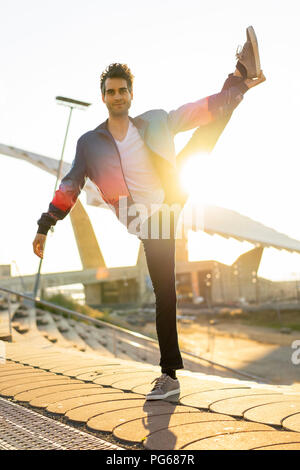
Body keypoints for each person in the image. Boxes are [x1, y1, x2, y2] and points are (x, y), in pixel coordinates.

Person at [33, 26, 266, 400]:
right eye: (110, 91)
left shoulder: (154, 120)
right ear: (103, 97)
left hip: (169, 199)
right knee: (164, 293)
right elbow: (69, 186)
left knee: (202, 136)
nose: (117, 96)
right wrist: (46, 225)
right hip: (145, 221)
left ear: (130, 94)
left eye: (123, 90)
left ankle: (241, 76)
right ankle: (241, 80)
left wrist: (233, 92)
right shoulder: (90, 144)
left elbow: (198, 111)